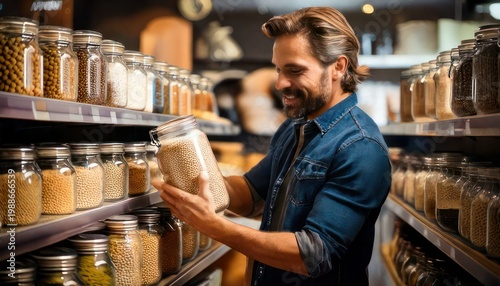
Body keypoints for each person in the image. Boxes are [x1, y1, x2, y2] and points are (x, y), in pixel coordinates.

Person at [152, 6, 392, 286]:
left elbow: (314, 254)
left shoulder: (361, 147)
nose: (279, 83)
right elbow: (251, 193)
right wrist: (193, 174)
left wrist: (215, 227)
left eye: (295, 70)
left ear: (338, 67)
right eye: (278, 69)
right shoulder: (294, 128)